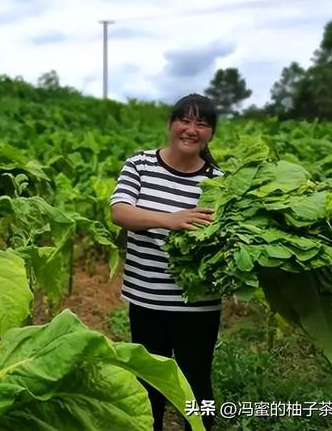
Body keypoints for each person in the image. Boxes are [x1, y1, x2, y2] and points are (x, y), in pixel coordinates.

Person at [110, 93, 223, 431]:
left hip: (198, 305)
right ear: (170, 125)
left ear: (211, 134)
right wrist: (170, 219)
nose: (192, 130)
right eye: (185, 121)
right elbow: (120, 212)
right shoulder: (140, 165)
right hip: (146, 299)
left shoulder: (220, 182)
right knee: (148, 384)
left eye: (201, 124)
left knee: (196, 384)